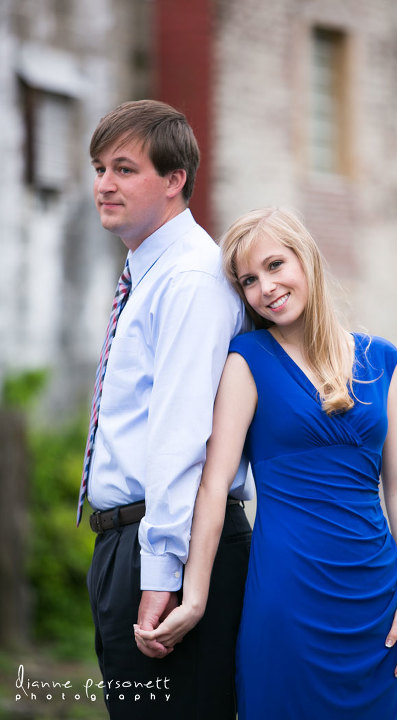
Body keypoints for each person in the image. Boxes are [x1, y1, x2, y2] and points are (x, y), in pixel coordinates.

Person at [135, 207, 397, 719]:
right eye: (249, 279)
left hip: (376, 599)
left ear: (306, 259)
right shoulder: (246, 360)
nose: (265, 287)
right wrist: (195, 597)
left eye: (275, 265)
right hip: (288, 597)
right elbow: (212, 487)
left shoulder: (382, 360)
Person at [77, 99, 252, 720]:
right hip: (132, 543)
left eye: (124, 169)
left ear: (175, 179)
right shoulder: (150, 272)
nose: (104, 184)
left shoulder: (189, 280)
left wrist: (159, 574)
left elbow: (183, 439)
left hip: (166, 545)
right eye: (99, 168)